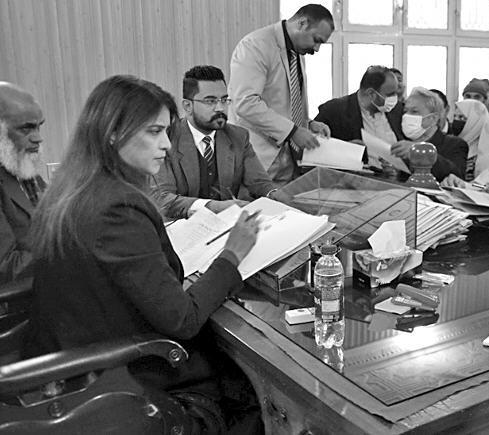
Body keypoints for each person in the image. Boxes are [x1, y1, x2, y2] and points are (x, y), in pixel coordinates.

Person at [25, 75, 263, 434]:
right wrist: (232, 254)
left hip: (80, 364)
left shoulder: (74, 188)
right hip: (125, 384)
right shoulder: (118, 208)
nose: (166, 144)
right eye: (154, 132)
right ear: (112, 133)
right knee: (254, 392)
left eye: (166, 131)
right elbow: (182, 320)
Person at [154, 65, 288, 219]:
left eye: (224, 100)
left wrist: (273, 194)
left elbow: (259, 182)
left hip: (227, 225)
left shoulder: (238, 136)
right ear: (188, 106)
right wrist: (212, 206)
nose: (220, 108)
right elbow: (162, 199)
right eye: (210, 101)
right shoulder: (165, 139)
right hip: (181, 227)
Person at [229, 4, 334, 183]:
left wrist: (307, 124)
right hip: (257, 158)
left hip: (288, 160)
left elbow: (283, 103)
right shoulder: (256, 45)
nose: (316, 49)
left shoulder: (296, 52)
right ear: (302, 23)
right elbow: (245, 103)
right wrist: (293, 131)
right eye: (316, 40)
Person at [0, 83, 46, 283]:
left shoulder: (23, 167)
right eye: (26, 128)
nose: (38, 138)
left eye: (38, 126)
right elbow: (6, 267)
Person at [391, 87, 467, 181]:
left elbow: (457, 177)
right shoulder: (403, 143)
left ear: (433, 118)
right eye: (405, 111)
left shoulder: (454, 144)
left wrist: (419, 152)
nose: (407, 116)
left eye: (414, 111)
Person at [314, 65, 404, 145]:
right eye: (390, 94)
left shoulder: (399, 110)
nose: (395, 98)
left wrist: (409, 148)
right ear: (371, 93)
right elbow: (315, 145)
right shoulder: (334, 111)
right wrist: (344, 149)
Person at [448, 99, 489, 180]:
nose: (456, 121)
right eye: (454, 117)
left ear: (474, 122)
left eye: (461, 117)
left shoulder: (485, 156)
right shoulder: (449, 144)